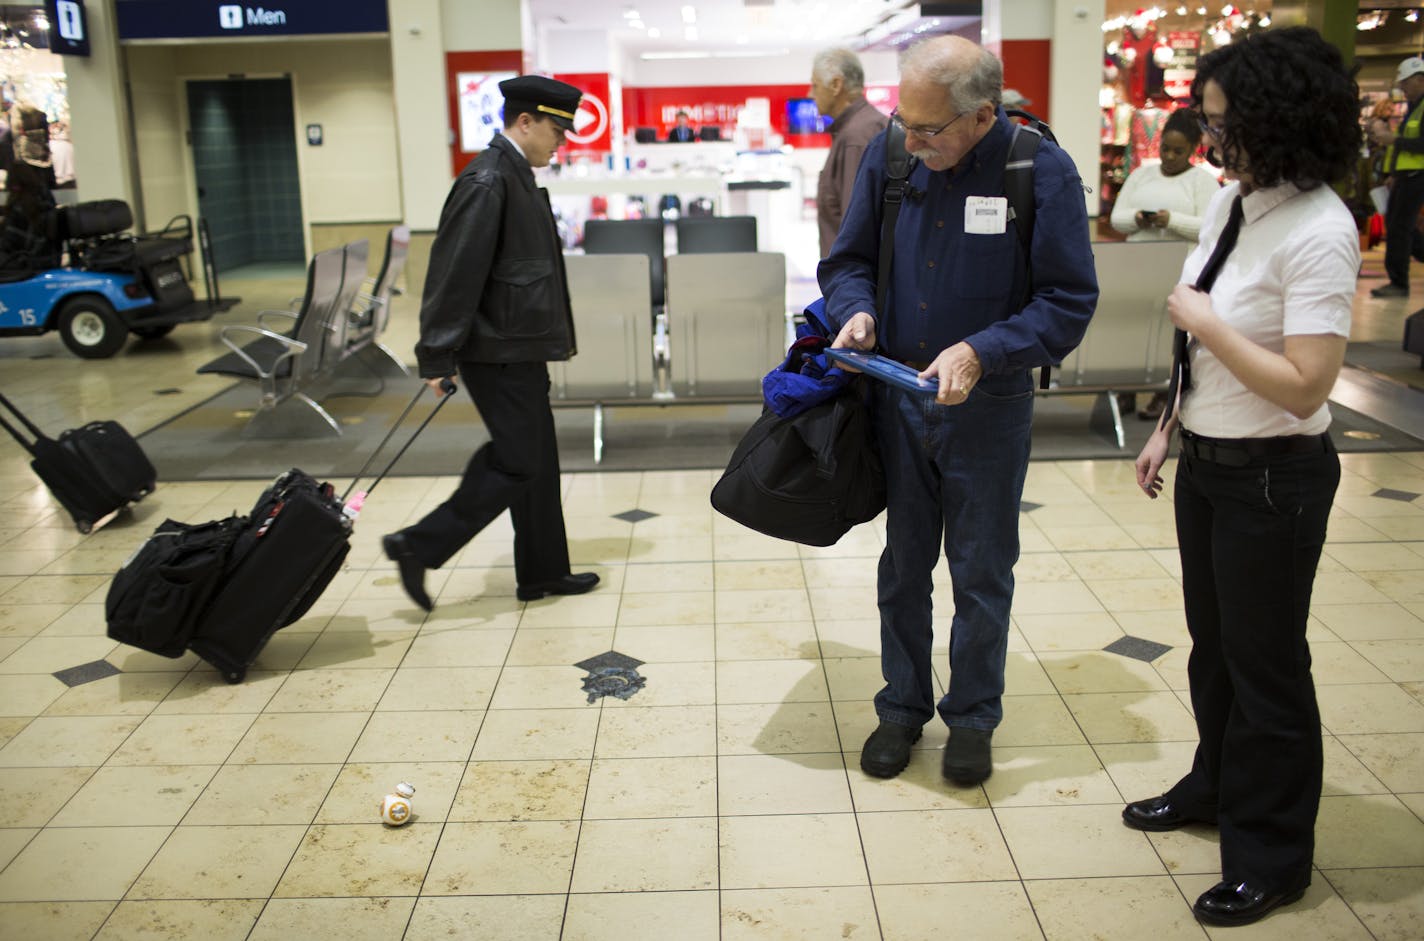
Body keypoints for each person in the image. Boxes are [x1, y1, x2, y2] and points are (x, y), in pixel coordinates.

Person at [1125, 27, 1360, 928]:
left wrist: (1208, 325)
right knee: (1213, 648)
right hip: (1209, 463)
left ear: (1278, 119)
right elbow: (1204, 331)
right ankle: (1215, 787)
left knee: (1268, 668)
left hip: (1276, 477)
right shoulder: (1236, 203)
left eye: (1224, 123)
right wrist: (1169, 421)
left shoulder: (1322, 231)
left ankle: (1272, 856)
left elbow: (1306, 385)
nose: (1212, 140)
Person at [819, 35, 1097, 786]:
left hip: (989, 407)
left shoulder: (1038, 171)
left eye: (929, 129)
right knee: (904, 564)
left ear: (981, 116)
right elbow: (846, 260)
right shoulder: (893, 154)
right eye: (904, 123)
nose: (911, 141)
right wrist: (854, 311)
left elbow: (1069, 303)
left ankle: (972, 714)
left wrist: (982, 349)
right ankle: (901, 708)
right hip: (898, 397)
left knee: (981, 569)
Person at [382, 75, 599, 612]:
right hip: (495, 351)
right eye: (556, 129)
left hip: (519, 347)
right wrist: (436, 353)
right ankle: (419, 544)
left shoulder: (516, 175)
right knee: (518, 460)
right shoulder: (487, 181)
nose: (562, 141)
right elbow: (454, 273)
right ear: (524, 122)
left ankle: (543, 573)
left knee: (537, 460)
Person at [1110, 107, 1221, 419]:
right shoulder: (1140, 175)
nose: (1170, 156)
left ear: (1192, 150)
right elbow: (1118, 219)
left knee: (1171, 336)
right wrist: (1138, 219)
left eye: (1178, 151)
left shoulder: (1202, 182)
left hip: (1180, 272)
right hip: (1137, 268)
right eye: (1166, 149)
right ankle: (1125, 390)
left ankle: (1164, 393)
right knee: (1132, 330)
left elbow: (1209, 227)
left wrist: (1171, 220)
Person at [810, 46, 889, 258]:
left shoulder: (856, 138)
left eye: (815, 86)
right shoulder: (863, 127)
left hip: (850, 280)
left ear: (836, 85)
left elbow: (855, 226)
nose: (811, 94)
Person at [1368, 56, 1424, 298]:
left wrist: (1394, 140)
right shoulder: (1413, 109)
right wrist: (1393, 173)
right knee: (1400, 226)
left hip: (1418, 175)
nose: (1402, 87)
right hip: (1405, 176)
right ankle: (1398, 279)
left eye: (1406, 82)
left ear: (1420, 80)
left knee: (1400, 227)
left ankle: (1399, 283)